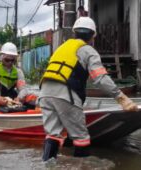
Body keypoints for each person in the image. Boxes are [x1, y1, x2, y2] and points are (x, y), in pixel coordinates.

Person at [39, 17, 138, 162]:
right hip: (65, 94)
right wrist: (121, 98)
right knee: (81, 137)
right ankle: (83, 166)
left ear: (74, 33)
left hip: (44, 93)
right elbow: (100, 79)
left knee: (53, 134)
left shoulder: (62, 47)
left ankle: (46, 164)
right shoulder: (88, 50)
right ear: (93, 37)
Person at [0, 42, 37, 111]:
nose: (10, 62)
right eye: (7, 60)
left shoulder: (18, 72)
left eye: (12, 60)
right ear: (2, 57)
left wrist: (19, 98)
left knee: (32, 96)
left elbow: (23, 89)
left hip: (11, 97)